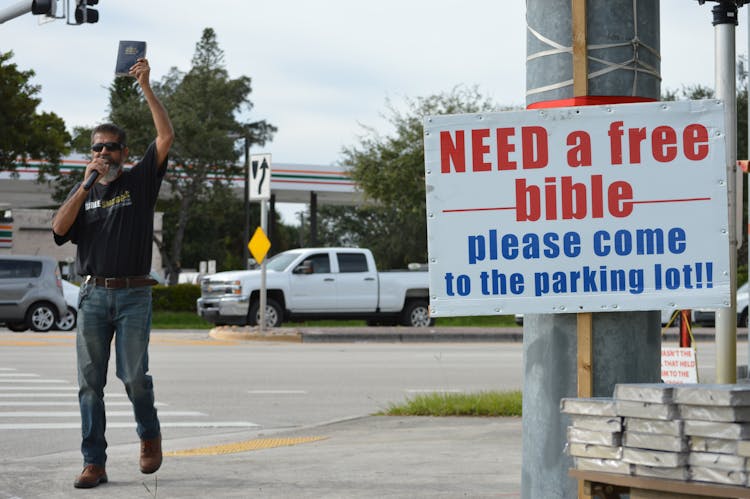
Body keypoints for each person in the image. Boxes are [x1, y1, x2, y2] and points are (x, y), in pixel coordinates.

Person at [52, 57, 174, 489]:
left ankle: (149, 435)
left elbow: (165, 135)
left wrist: (146, 86)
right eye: (97, 148)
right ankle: (94, 463)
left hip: (133, 295)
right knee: (89, 385)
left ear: (124, 152)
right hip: (93, 297)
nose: (104, 153)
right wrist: (85, 184)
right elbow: (59, 230)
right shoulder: (82, 191)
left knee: (133, 377)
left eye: (111, 148)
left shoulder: (139, 181)